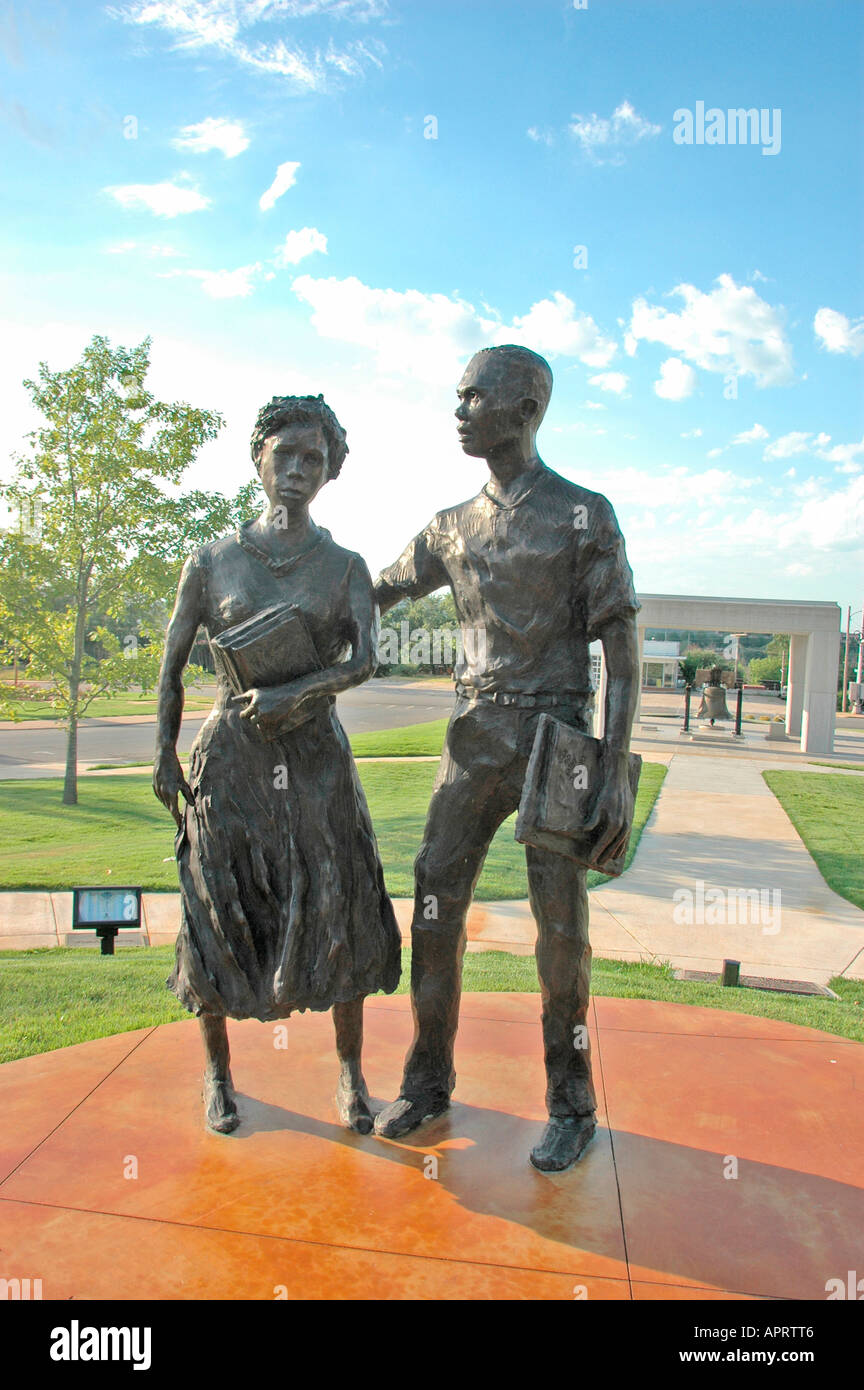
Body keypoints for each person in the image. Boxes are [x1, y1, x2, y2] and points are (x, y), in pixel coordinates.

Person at [372, 345, 640, 1172]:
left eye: (473, 397)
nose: (458, 410)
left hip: (558, 740)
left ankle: (571, 1102)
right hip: (473, 735)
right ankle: (427, 1081)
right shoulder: (449, 525)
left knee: (560, 929)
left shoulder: (584, 513)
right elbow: (374, 590)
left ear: (525, 407)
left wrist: (614, 768)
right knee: (433, 898)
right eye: (457, 397)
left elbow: (622, 654)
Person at [153, 394, 401, 1136]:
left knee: (340, 903)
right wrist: (163, 755)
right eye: (284, 454)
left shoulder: (345, 566)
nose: (298, 470)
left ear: (331, 472)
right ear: (257, 457)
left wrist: (299, 688)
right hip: (230, 762)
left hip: (316, 762)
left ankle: (353, 1077)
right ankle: (218, 1077)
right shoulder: (212, 560)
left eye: (314, 459)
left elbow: (365, 660)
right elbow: (169, 668)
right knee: (219, 910)